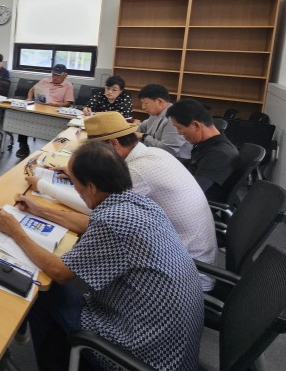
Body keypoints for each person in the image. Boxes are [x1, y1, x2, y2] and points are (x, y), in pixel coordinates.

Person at [0, 141, 203, 371]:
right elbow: (91, 223)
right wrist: (41, 210)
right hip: (167, 338)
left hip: (140, 350)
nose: (75, 190)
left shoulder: (113, 221)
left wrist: (16, 232)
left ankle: (56, 361)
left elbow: (60, 273)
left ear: (92, 187)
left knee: (43, 290)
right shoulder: (139, 203)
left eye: (75, 185)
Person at [30, 112, 217, 290]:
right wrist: (78, 173)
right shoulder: (153, 153)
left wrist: (44, 186)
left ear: (113, 144)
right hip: (178, 256)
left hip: (180, 271)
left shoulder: (137, 171)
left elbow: (95, 209)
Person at [166, 98, 239, 201]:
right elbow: (192, 164)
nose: (179, 133)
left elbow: (192, 193)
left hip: (195, 208)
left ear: (196, 125)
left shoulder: (218, 155)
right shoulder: (208, 145)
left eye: (179, 128)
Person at [16, 64, 74, 158]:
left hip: (54, 111)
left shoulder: (68, 86)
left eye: (58, 75)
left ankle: (52, 151)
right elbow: (32, 89)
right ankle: (23, 146)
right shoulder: (44, 81)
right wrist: (29, 99)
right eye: (53, 74)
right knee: (24, 120)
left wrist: (57, 104)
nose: (54, 77)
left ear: (65, 75)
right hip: (39, 107)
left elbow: (68, 103)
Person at [135, 84, 192, 160]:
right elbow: (142, 126)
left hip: (176, 160)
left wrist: (144, 136)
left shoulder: (174, 117)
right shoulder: (155, 114)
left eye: (145, 103)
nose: (143, 107)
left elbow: (168, 150)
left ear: (159, 101)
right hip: (156, 155)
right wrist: (126, 128)